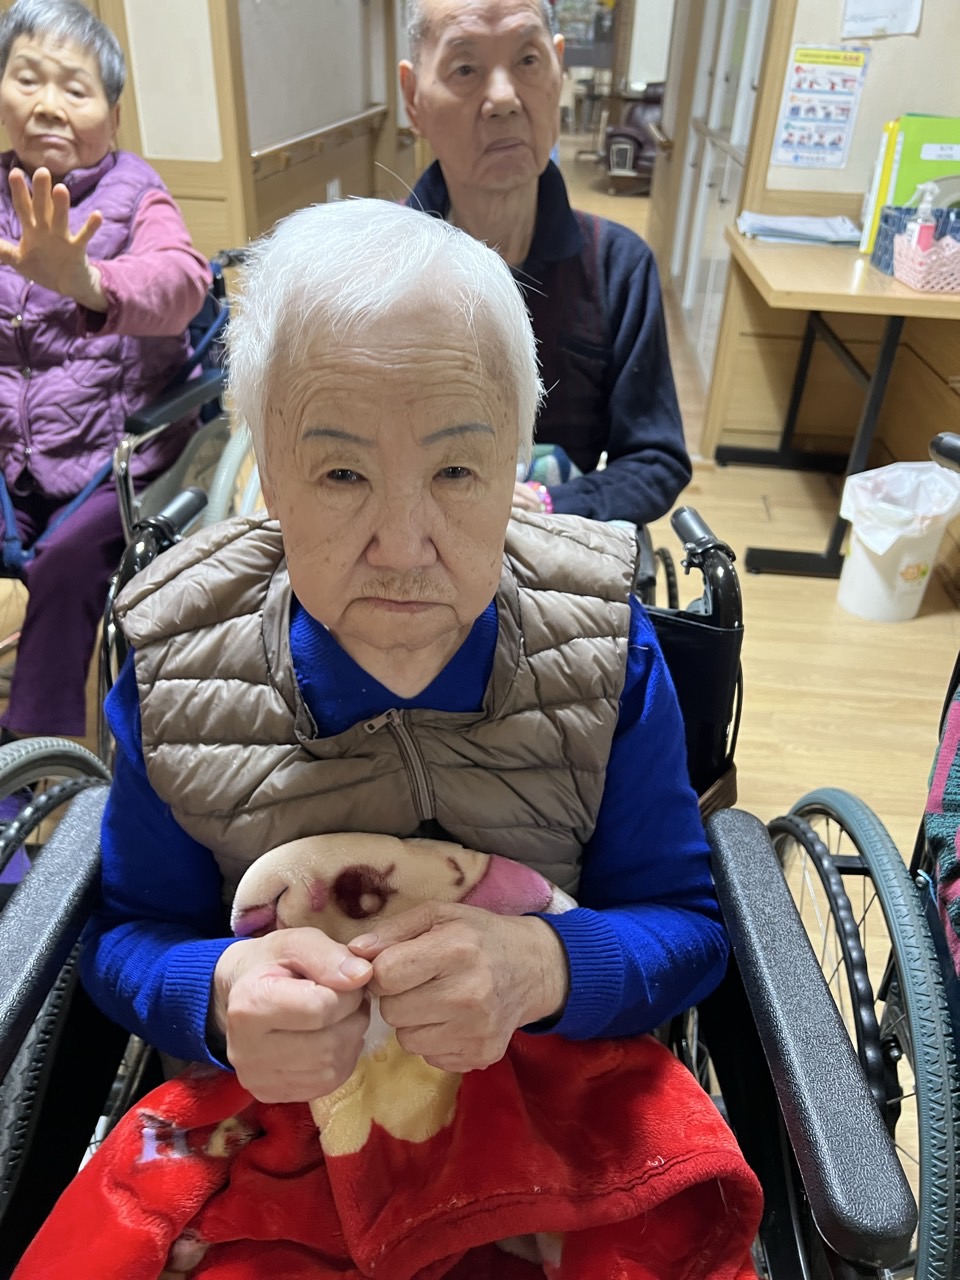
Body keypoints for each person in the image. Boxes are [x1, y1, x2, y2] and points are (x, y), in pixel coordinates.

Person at [39, 196, 758, 1277]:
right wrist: (219, 994)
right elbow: (131, 934)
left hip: (552, 1117)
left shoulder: (606, 654)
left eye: (457, 472)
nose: (404, 544)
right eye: (340, 475)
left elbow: (687, 928)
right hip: (277, 1131)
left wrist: (544, 966)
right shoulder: (180, 670)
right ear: (267, 476)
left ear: (517, 468)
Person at [0, 0, 211, 750]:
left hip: (116, 460)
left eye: (75, 88)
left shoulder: (135, 192)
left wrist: (87, 281)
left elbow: (185, 283)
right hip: (12, 461)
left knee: (64, 568)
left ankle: (35, 762)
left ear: (113, 117)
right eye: (28, 79)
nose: (48, 105)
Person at [400, 0, 690, 527]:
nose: (503, 98)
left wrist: (550, 506)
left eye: (528, 60)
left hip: (556, 544)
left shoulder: (618, 266)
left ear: (558, 72)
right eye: (465, 68)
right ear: (413, 97)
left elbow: (655, 460)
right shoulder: (370, 269)